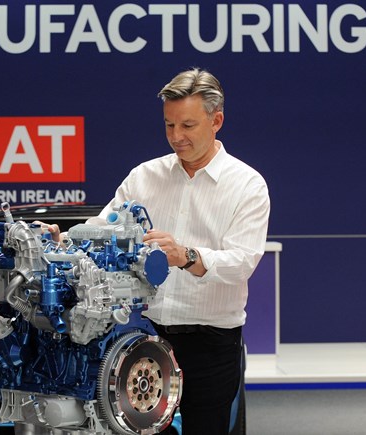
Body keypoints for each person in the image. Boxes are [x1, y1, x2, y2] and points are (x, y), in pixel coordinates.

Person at [47, 68, 270, 434]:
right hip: (139, 333)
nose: (176, 137)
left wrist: (186, 256)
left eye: (188, 126)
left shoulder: (247, 185)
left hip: (211, 343)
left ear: (217, 121)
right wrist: (62, 243)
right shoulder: (144, 177)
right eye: (169, 125)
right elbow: (101, 231)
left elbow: (242, 262)